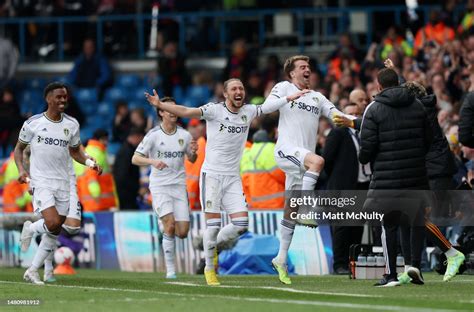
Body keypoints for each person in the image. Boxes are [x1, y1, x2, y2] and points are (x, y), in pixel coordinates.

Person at [145, 78, 308, 286]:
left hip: (232, 177)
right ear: (225, 94)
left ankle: (212, 245)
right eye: (234, 89)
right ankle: (209, 267)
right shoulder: (214, 111)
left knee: (241, 224)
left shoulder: (248, 111)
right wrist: (160, 104)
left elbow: (267, 107)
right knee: (212, 227)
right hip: (212, 175)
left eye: (241, 88)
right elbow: (186, 111)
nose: (239, 91)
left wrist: (288, 97)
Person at [264, 55, 355, 285]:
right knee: (319, 162)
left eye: (309, 67)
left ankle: (281, 258)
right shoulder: (283, 87)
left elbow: (338, 116)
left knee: (290, 210)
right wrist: (288, 97)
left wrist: (364, 118)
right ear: (292, 73)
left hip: (302, 163)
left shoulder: (317, 97)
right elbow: (266, 108)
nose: (308, 70)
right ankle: (307, 207)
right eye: (302, 67)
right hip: (286, 151)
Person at [14, 82, 101, 285]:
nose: (63, 100)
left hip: (63, 181)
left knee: (55, 229)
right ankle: (34, 232)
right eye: (59, 97)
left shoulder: (71, 124)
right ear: (48, 99)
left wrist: (89, 162)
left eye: (65, 97)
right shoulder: (33, 123)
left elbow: (75, 150)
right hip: (42, 181)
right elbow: (19, 149)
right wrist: (21, 170)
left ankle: (33, 269)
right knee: (53, 223)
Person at [358, 68, 433, 287]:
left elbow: (366, 151)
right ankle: (415, 266)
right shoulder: (417, 105)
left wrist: (368, 158)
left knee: (388, 225)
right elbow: (428, 138)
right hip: (417, 175)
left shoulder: (374, 109)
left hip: (386, 179)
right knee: (416, 221)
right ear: (398, 82)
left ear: (379, 85)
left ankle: (391, 274)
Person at [132, 97, 198, 279]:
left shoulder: (184, 135)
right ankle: (171, 270)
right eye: (168, 108)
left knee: (183, 232)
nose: (173, 110)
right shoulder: (153, 135)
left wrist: (194, 152)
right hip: (160, 186)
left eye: (175, 107)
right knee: (170, 226)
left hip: (178, 187)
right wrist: (152, 161)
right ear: (161, 112)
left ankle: (165, 226)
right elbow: (135, 158)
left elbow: (191, 159)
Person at [322, 103, 369, 274]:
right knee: (342, 226)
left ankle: (353, 262)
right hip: (343, 187)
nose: (354, 116)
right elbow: (327, 159)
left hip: (362, 185)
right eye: (350, 113)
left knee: (358, 226)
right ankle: (340, 264)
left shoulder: (365, 134)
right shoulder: (338, 133)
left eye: (357, 113)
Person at [240, 116, 285, 209]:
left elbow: (245, 182)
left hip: (257, 208)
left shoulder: (251, 150)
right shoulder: (270, 150)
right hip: (276, 206)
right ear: (276, 130)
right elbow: (286, 177)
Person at [74, 129, 118, 212]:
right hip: (97, 200)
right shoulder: (97, 152)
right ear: (102, 139)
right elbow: (91, 176)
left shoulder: (89, 150)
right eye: (106, 140)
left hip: (86, 196)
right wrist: (96, 194)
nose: (107, 143)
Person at [113, 127, 144, 210]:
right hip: (126, 192)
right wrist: (135, 187)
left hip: (127, 191)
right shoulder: (127, 152)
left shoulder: (127, 150)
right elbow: (123, 175)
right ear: (136, 137)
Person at [185, 119, 206, 210]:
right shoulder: (187, 145)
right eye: (193, 126)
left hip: (193, 201)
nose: (197, 129)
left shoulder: (201, 144)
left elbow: (195, 175)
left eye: (198, 126)